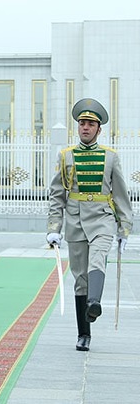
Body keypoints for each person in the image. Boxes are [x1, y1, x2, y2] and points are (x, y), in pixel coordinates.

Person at [47, 98, 133, 351]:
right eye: (82, 123)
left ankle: (94, 302)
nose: (85, 127)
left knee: (98, 259)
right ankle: (83, 333)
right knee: (79, 278)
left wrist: (124, 227)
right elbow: (57, 194)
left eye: (90, 124)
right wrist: (54, 227)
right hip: (75, 220)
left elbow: (120, 194)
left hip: (103, 219)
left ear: (99, 129)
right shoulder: (65, 156)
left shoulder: (110, 157)